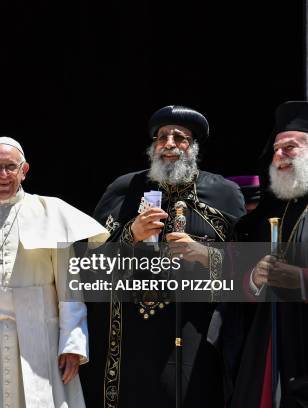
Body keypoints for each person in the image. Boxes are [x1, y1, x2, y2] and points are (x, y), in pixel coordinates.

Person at [83, 106, 245, 407]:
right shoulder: (124, 190)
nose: (169, 143)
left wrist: (205, 254)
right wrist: (131, 234)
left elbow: (250, 272)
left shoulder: (224, 193)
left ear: (193, 146)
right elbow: (89, 267)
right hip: (130, 339)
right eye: (161, 137)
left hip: (197, 334)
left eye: (179, 137)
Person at [0, 137, 109, 408]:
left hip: (41, 336)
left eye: (11, 167)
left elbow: (69, 285)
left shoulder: (50, 212)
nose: (3, 174)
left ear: (24, 170)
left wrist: (72, 344)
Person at [227, 101, 308, 408]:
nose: (278, 156)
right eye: (276, 149)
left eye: (290, 148)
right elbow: (244, 285)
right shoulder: (276, 210)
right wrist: (256, 278)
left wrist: (300, 280)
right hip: (273, 345)